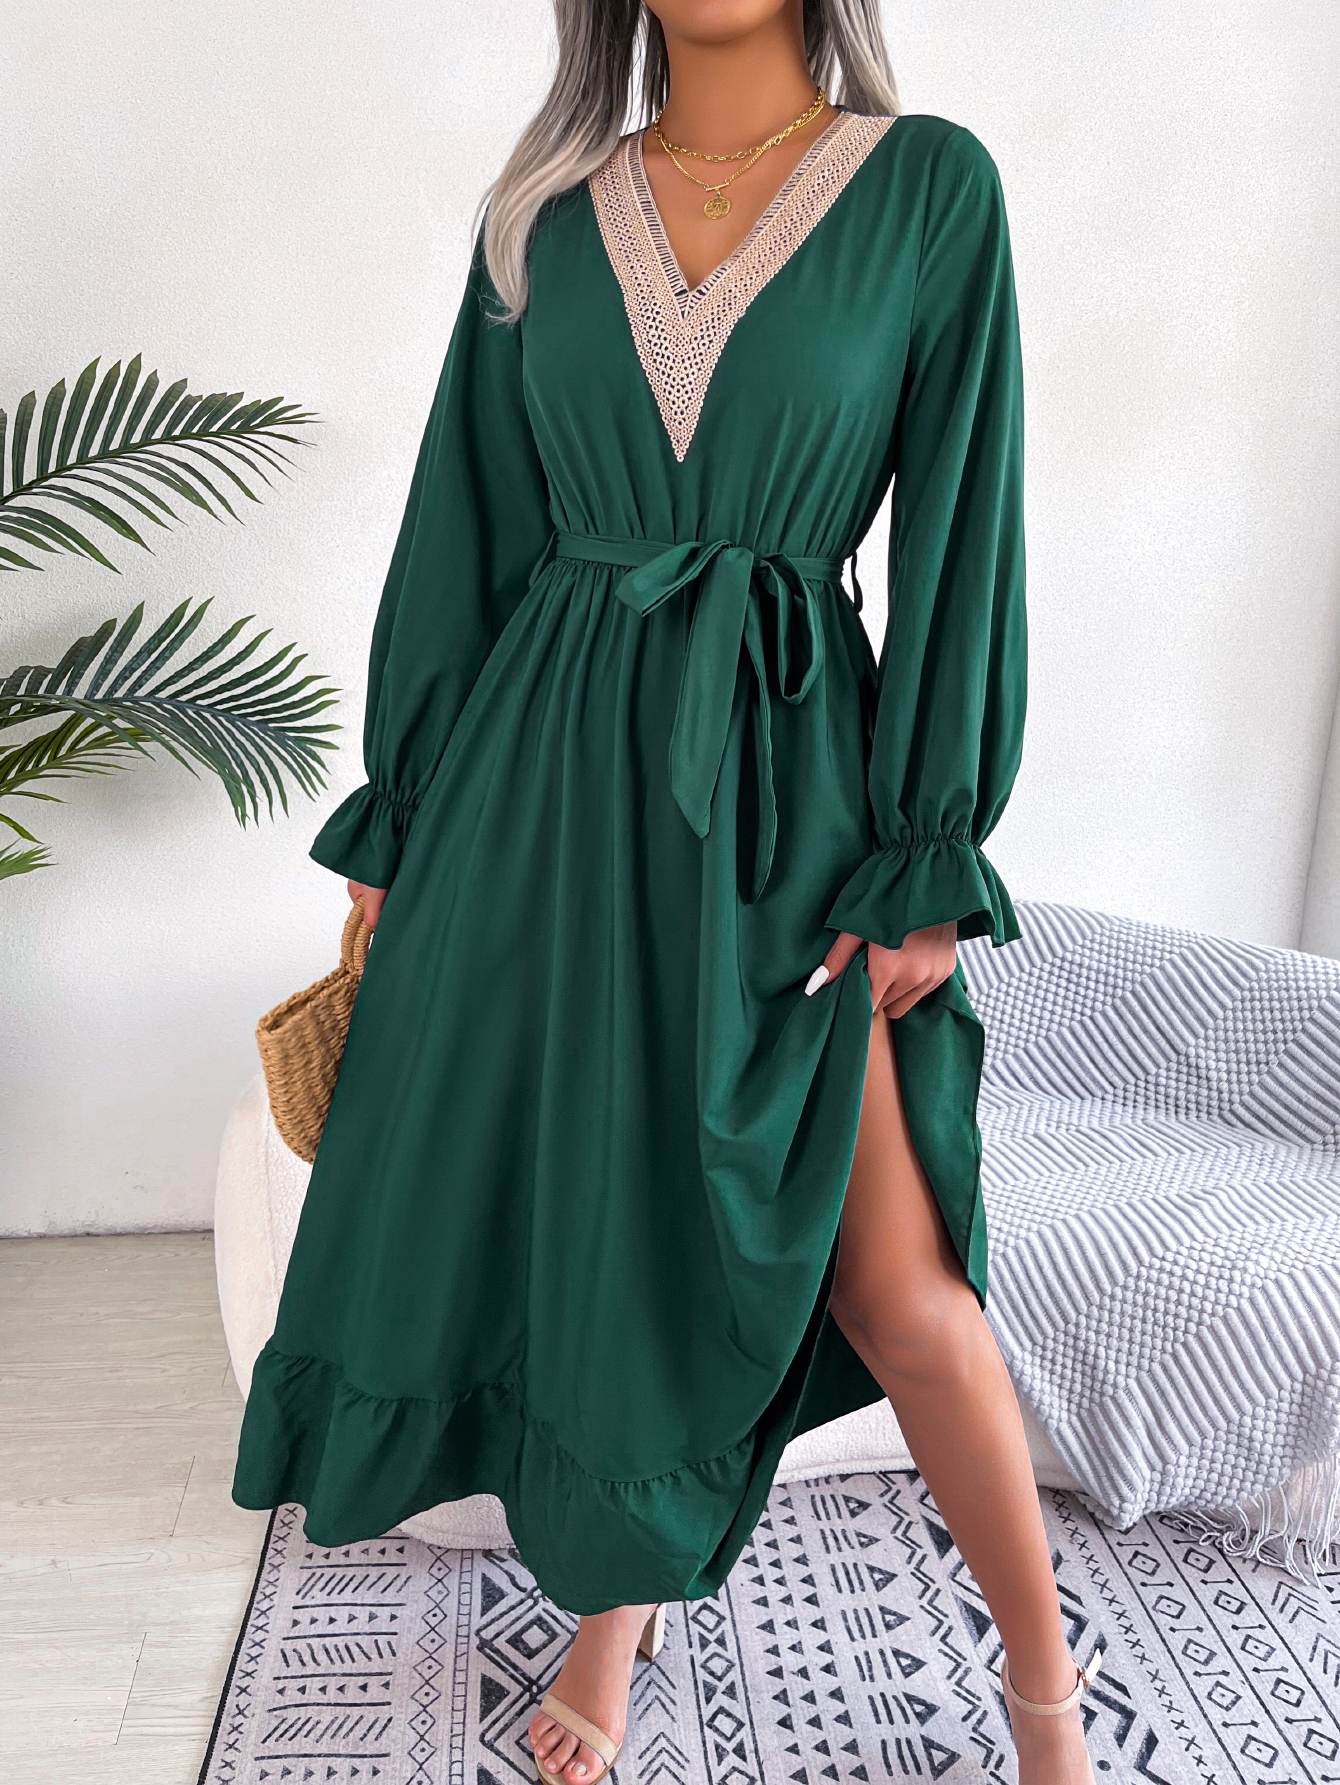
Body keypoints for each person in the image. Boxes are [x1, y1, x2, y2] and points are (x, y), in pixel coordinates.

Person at [233, 2, 1101, 1781]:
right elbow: (467, 522)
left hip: (791, 791)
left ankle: (1045, 1689)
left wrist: (928, 851)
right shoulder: (546, 212)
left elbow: (964, 528)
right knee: (612, 1231)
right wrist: (404, 816)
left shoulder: (928, 189)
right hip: (540, 789)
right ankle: (607, 1633)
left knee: (899, 1288)